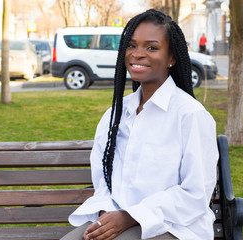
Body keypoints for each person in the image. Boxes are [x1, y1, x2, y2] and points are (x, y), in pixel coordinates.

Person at [61, 9, 218, 240]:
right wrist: (108, 211)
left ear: (172, 57)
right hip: (119, 220)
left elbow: (195, 194)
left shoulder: (190, 115)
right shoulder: (116, 114)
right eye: (132, 45)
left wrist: (131, 216)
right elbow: (102, 177)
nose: (138, 54)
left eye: (152, 47)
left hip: (176, 227)